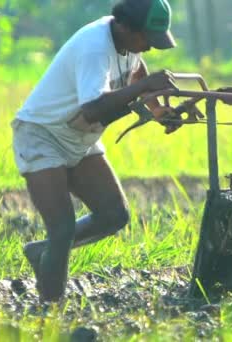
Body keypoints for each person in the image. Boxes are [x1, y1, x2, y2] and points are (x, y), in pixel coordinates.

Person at [11, 0, 180, 302]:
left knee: (114, 214)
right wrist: (144, 89)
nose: (150, 48)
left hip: (78, 138)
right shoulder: (95, 48)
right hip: (42, 135)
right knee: (61, 228)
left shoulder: (129, 45)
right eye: (147, 39)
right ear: (126, 26)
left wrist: (157, 110)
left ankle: (43, 252)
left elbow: (137, 70)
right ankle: (50, 312)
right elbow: (92, 110)